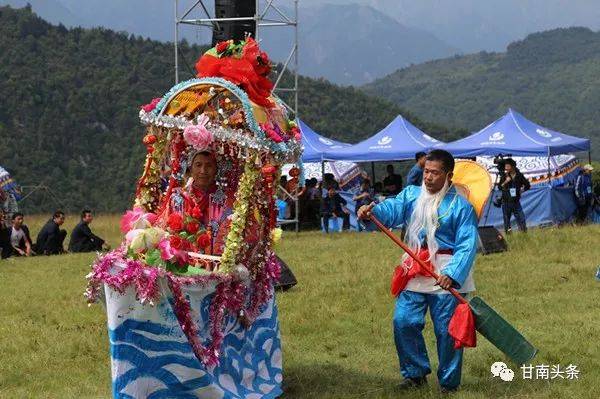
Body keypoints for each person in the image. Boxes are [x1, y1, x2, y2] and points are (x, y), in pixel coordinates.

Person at [358, 149, 478, 393]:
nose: (429, 177)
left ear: (449, 175)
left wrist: (453, 273)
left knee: (447, 330)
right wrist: (371, 213)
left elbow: (467, 243)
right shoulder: (411, 195)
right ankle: (415, 374)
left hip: (446, 273)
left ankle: (448, 383)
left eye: (435, 173)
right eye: (426, 171)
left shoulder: (461, 206)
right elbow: (390, 210)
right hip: (415, 267)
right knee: (403, 321)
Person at [499, 159, 530, 234]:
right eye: (505, 166)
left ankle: (524, 235)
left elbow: (527, 185)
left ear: (512, 167)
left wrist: (521, 190)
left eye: (507, 166)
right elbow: (499, 187)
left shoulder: (519, 175)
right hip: (506, 202)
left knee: (521, 218)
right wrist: (506, 181)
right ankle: (509, 236)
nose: (506, 168)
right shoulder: (504, 175)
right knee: (507, 221)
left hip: (516, 202)